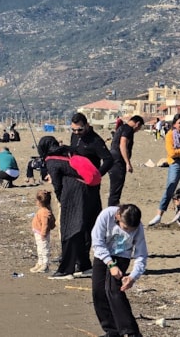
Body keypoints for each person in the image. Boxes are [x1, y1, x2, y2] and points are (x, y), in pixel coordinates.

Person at [38, 136, 91, 280]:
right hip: (88, 191)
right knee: (79, 230)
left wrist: (62, 200)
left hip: (73, 194)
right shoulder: (68, 151)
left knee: (68, 230)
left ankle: (66, 270)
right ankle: (85, 266)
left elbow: (57, 184)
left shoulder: (51, 160)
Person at [91, 204, 148, 337]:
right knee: (98, 292)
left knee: (114, 291)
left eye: (131, 230)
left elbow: (141, 254)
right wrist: (110, 264)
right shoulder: (106, 215)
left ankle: (131, 332)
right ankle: (112, 331)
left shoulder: (138, 227)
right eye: (126, 228)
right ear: (118, 216)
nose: (128, 232)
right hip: (102, 254)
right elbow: (97, 242)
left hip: (122, 256)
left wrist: (133, 276)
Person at [69, 112, 113, 277]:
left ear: (86, 125)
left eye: (79, 130)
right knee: (76, 221)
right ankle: (77, 258)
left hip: (91, 186)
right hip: (76, 184)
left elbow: (109, 160)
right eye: (74, 130)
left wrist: (97, 175)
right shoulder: (75, 137)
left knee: (88, 223)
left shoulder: (96, 141)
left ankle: (86, 262)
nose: (76, 133)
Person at [148, 114, 180, 226]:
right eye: (179, 123)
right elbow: (171, 153)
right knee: (170, 187)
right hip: (175, 163)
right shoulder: (170, 135)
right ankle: (159, 215)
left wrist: (179, 152)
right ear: (174, 124)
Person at [107, 115, 145, 207]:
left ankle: (112, 208)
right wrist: (128, 163)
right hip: (118, 161)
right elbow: (122, 144)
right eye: (139, 128)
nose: (137, 130)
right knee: (115, 191)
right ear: (137, 124)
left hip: (112, 160)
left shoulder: (122, 127)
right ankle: (112, 211)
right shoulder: (128, 129)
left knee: (114, 190)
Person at [29, 189, 56, 273]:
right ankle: (40, 263)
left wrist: (43, 234)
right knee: (40, 249)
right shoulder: (43, 210)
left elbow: (45, 224)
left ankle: (45, 265)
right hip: (38, 232)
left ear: (40, 202)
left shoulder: (44, 212)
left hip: (42, 234)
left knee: (44, 249)